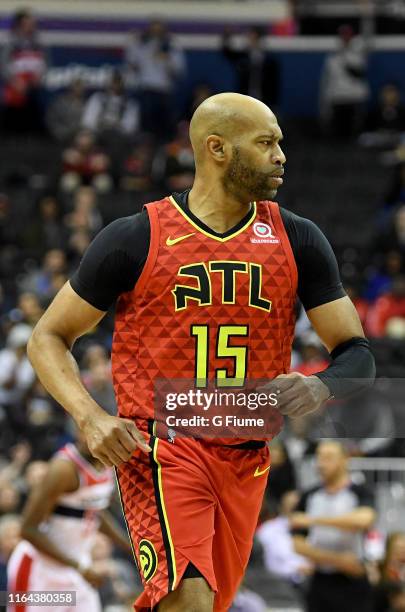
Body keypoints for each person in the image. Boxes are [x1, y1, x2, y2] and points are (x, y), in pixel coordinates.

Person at [27, 93, 375, 611]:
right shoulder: (136, 236)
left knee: (205, 603)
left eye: (279, 142)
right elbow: (47, 337)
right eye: (266, 143)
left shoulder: (298, 238)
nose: (282, 155)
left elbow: (358, 353)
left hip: (246, 455)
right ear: (217, 149)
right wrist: (90, 416)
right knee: (188, 598)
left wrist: (320, 383)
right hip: (162, 448)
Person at [6, 431, 131, 612]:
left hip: (77, 568)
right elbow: (27, 529)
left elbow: (92, 511)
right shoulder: (64, 468)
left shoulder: (106, 463)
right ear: (81, 432)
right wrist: (80, 568)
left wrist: (128, 546)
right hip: (39, 571)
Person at [290, 440, 376, 612]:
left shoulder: (359, 492)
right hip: (321, 579)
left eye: (328, 458)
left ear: (344, 460)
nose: (321, 463)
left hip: (354, 581)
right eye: (319, 457)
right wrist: (337, 561)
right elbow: (297, 544)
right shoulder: (309, 495)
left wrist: (313, 520)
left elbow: (364, 520)